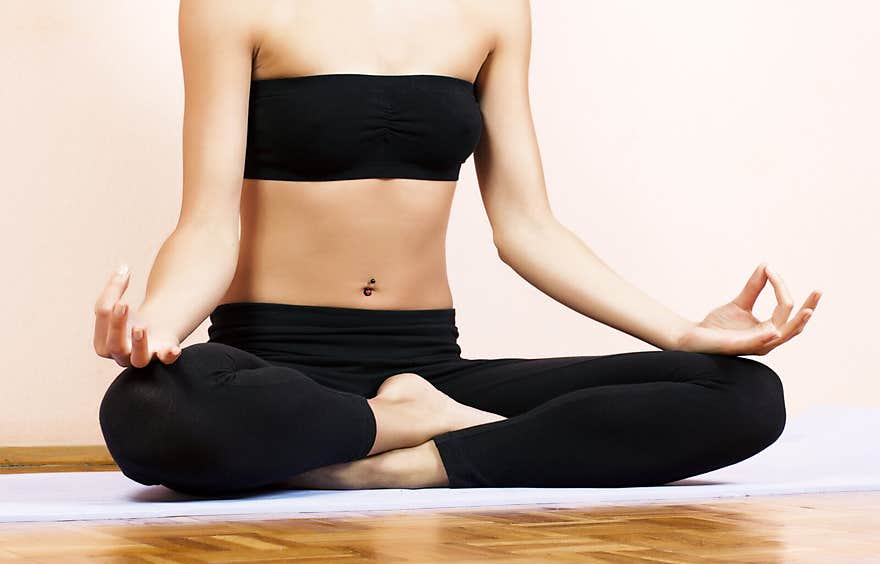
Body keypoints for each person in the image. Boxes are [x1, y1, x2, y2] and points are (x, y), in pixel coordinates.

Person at [95, 0, 820, 496]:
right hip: (276, 364)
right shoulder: (231, 5)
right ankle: (397, 427)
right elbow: (208, 226)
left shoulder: (493, 8)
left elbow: (527, 226)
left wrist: (685, 332)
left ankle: (392, 464)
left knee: (743, 396)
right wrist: (156, 328)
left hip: (434, 374)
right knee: (146, 410)